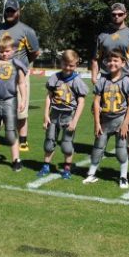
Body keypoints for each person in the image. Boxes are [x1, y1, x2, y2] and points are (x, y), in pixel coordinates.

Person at [91, 3, 129, 162]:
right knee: (101, 113)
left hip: (126, 80)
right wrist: (95, 77)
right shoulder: (102, 36)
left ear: (125, 14)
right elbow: (95, 59)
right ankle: (100, 147)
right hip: (106, 80)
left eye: (120, 14)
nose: (116, 17)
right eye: (114, 14)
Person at [0, 0, 40, 152]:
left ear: (18, 12)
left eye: (13, 10)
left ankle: (23, 141)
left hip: (18, 76)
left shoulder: (27, 30)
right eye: (7, 10)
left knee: (21, 109)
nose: (10, 13)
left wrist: (22, 66)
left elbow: (35, 52)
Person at [84, 48, 129, 188]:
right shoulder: (102, 80)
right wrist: (96, 122)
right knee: (98, 148)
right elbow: (96, 102)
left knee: (121, 150)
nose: (112, 63)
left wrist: (126, 123)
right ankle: (91, 173)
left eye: (116, 60)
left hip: (120, 120)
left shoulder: (126, 81)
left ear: (123, 63)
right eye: (110, 60)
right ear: (106, 63)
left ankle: (123, 177)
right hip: (105, 120)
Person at [37, 50, 88, 179]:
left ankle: (66, 168)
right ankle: (46, 166)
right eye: (65, 64)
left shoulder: (77, 81)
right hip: (54, 114)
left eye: (71, 65)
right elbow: (49, 97)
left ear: (76, 65)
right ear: (61, 63)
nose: (68, 68)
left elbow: (81, 102)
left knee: (66, 144)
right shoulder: (55, 78)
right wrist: (45, 115)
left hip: (68, 115)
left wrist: (75, 121)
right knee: (49, 142)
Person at [0, 33, 28, 171]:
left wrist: (23, 100)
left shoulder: (16, 64)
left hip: (9, 100)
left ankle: (16, 159)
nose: (4, 54)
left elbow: (21, 83)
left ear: (13, 50)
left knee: (10, 132)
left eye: (7, 51)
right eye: (1, 51)